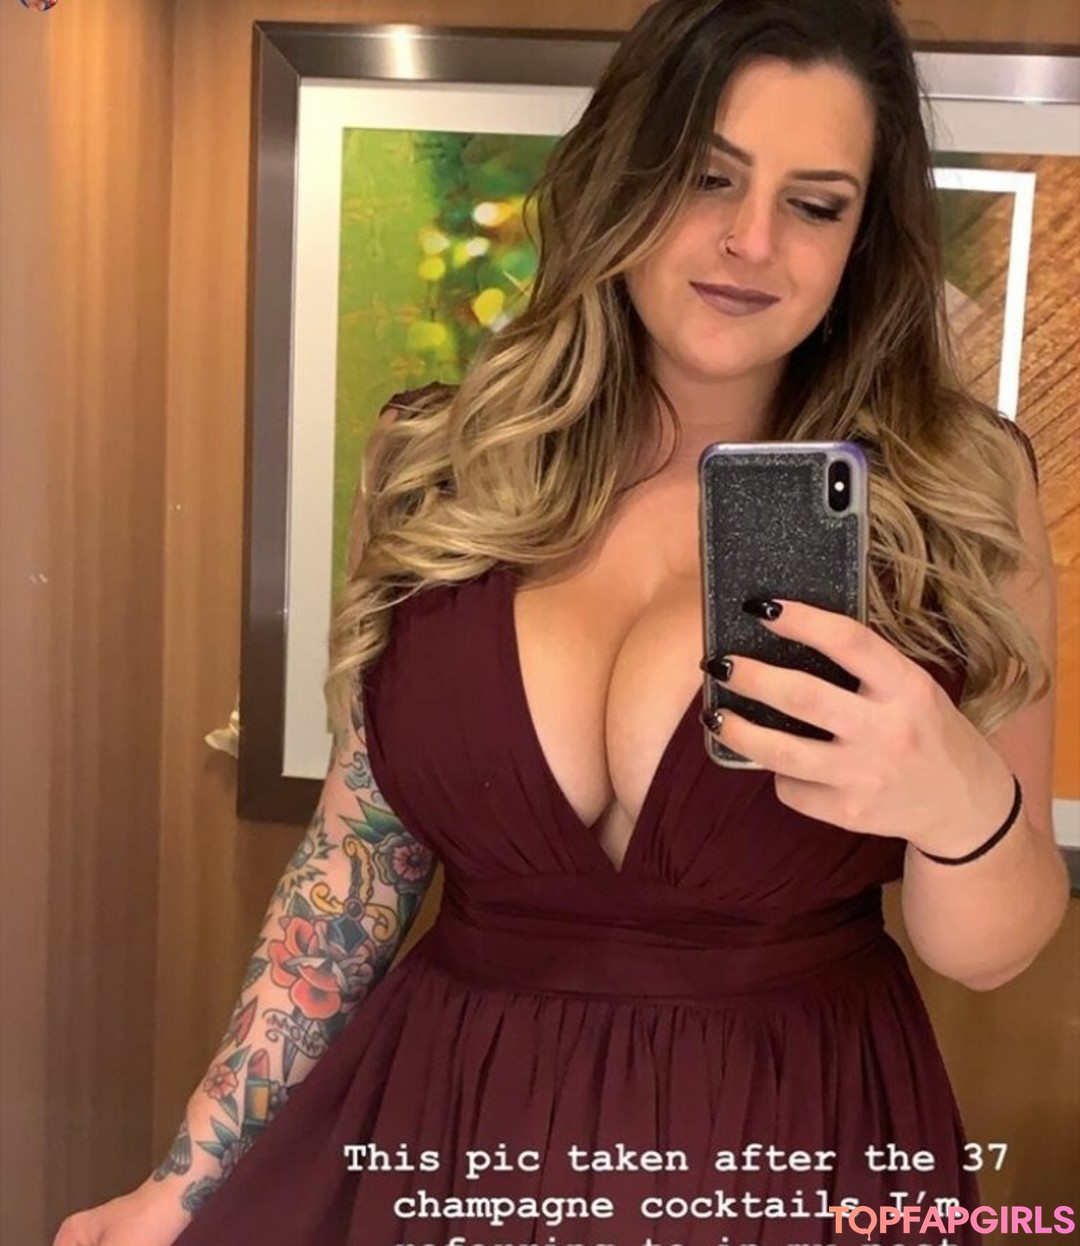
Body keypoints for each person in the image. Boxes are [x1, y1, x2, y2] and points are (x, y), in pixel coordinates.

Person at [54, 1, 1069, 1244]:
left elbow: (991, 949)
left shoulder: (958, 491)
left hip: (788, 1141)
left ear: (863, 241)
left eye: (815, 204)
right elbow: (357, 869)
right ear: (620, 175)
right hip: (446, 1123)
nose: (750, 241)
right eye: (708, 176)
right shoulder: (439, 461)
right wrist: (187, 1177)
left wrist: (954, 797)